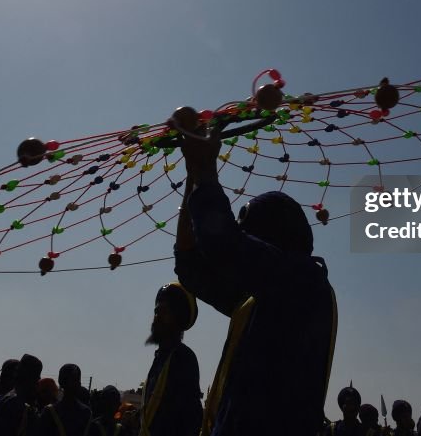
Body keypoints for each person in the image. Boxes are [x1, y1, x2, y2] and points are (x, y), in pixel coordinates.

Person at [173, 119, 338, 436]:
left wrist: (205, 168)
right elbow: (189, 265)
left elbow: (222, 244)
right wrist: (194, 174)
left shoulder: (303, 282)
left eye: (251, 237)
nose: (247, 248)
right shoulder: (261, 299)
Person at [141, 283, 203, 436]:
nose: (157, 317)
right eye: (156, 311)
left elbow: (190, 419)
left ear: (178, 318)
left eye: (164, 311)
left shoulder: (183, 358)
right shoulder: (160, 357)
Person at [35, 364, 91, 436]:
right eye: (73, 380)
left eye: (77, 380)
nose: (77, 383)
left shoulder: (50, 411)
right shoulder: (86, 412)